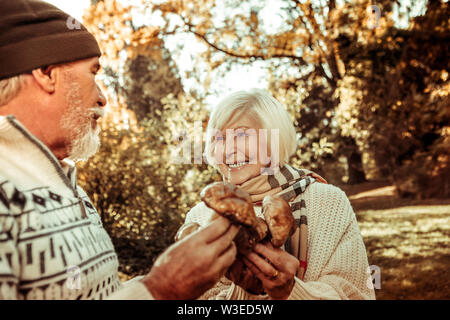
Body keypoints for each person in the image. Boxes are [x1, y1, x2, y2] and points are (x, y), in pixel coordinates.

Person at [0, 0, 238, 300]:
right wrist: (160, 289)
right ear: (47, 73)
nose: (103, 98)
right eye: (93, 73)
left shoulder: (72, 189)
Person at [183, 89, 376, 300]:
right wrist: (245, 289)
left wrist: (292, 292)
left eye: (241, 134)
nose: (228, 148)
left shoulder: (328, 201)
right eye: (218, 138)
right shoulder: (200, 218)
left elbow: (356, 293)